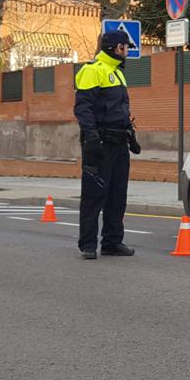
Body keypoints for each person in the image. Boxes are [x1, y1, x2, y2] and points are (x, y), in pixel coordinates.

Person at [73, 30, 141, 259]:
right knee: (94, 195)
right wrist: (91, 138)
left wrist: (130, 135)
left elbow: (120, 111)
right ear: (115, 48)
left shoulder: (117, 73)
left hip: (119, 143)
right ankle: (88, 244)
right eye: (126, 47)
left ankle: (112, 242)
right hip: (100, 143)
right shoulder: (92, 70)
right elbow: (83, 109)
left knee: (117, 196)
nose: (128, 51)